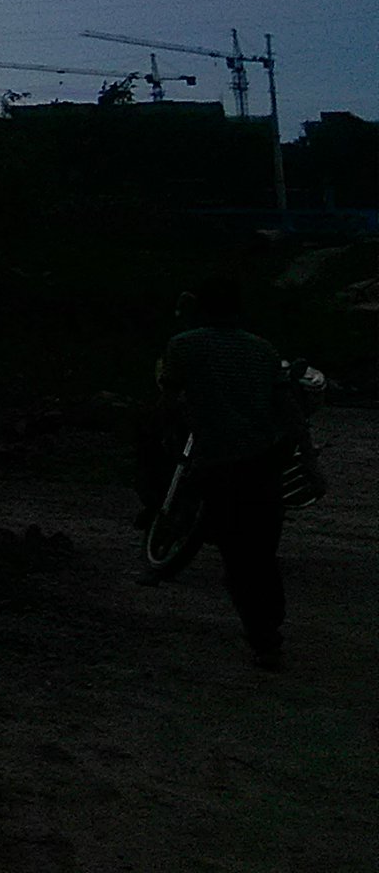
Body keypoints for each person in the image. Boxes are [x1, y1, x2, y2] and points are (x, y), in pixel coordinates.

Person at [156, 276, 301, 666]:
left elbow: (169, 401)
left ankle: (264, 636)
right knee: (262, 551)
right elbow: (289, 412)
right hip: (264, 462)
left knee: (238, 555)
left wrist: (172, 432)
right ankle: (269, 630)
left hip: (219, 462)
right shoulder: (263, 349)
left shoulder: (183, 346)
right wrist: (309, 462)